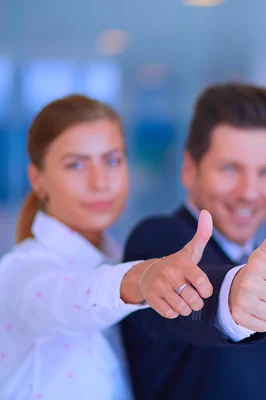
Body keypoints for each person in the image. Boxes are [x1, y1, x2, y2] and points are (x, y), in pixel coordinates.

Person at [0, 95, 215, 400]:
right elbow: (63, 299)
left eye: (112, 160)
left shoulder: (116, 260)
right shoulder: (20, 271)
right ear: (38, 179)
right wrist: (140, 277)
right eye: (75, 164)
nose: (100, 182)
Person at [120, 83, 266, 400]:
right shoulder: (160, 240)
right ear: (189, 170)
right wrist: (231, 294)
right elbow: (186, 295)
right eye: (229, 168)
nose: (249, 192)